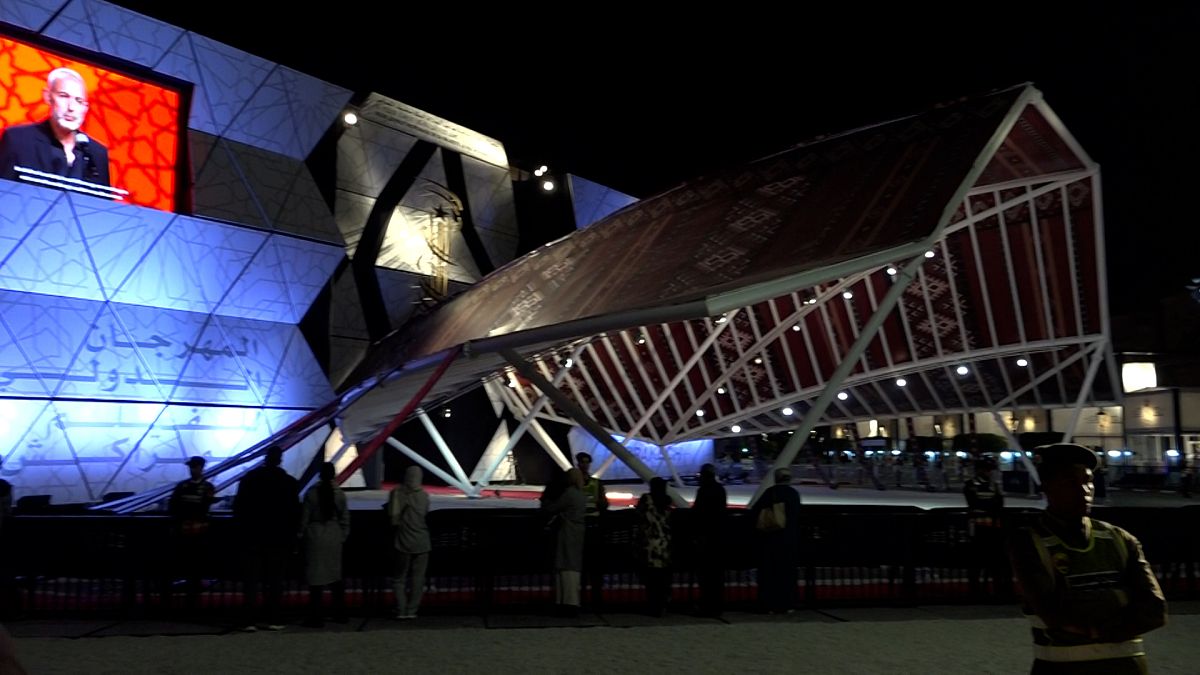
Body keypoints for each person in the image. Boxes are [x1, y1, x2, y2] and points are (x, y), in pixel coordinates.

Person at [1008, 443, 1166, 674]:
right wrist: (1121, 604)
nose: (1084, 490)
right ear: (1047, 486)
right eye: (1071, 482)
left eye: (1088, 481)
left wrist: (1091, 624)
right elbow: (1052, 612)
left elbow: (1155, 610)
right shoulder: (1030, 542)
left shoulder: (1119, 539)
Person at [0, 68, 111, 186]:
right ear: (48, 97)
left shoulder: (97, 154)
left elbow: (101, 204)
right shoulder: (18, 140)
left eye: (78, 101)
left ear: (85, 108)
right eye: (64, 96)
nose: (71, 107)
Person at [233, 445, 300, 631]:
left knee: (251, 581)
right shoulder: (289, 483)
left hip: (252, 536)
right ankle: (274, 618)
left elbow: (239, 509)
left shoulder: (249, 480)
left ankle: (249, 620)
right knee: (275, 580)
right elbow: (294, 513)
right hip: (278, 538)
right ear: (280, 459)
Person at [299, 462, 350, 627]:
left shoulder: (311, 494)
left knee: (316, 580)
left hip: (315, 537)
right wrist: (341, 536)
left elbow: (304, 519)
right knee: (335, 578)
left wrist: (302, 536)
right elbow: (345, 519)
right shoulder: (340, 495)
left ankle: (316, 616)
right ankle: (340, 613)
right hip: (334, 536)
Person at [750, 467, 803, 613]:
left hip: (770, 539)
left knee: (769, 574)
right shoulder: (793, 494)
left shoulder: (769, 493)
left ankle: (768, 604)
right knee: (787, 574)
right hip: (788, 540)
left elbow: (755, 513)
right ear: (789, 479)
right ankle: (788, 603)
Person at [167, 456, 215, 609]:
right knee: (187, 563)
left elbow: (203, 507)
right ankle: (190, 596)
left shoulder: (203, 487)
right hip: (187, 531)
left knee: (195, 564)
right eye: (191, 467)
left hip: (196, 532)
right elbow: (174, 506)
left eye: (195, 467)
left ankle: (192, 597)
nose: (192, 470)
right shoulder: (185, 486)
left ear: (201, 468)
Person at [387, 465, 430, 620]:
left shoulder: (397, 493)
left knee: (399, 578)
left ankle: (401, 609)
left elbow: (393, 519)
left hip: (403, 541)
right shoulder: (424, 496)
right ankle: (412, 610)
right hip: (422, 541)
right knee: (418, 578)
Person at [964, 456, 1008, 598]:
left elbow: (999, 503)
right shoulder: (972, 484)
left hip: (993, 528)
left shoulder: (994, 485)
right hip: (978, 528)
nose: (989, 472)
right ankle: (976, 590)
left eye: (990, 470)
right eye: (986, 469)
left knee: (996, 561)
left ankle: (997, 589)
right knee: (977, 561)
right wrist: (990, 507)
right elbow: (975, 502)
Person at [544, 468, 585, 617]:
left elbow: (552, 508)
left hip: (567, 532)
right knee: (571, 565)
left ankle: (566, 602)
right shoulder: (580, 494)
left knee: (566, 566)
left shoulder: (569, 494)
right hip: (576, 532)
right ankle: (570, 602)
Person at [691, 463, 727, 617]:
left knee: (706, 575)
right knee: (717, 575)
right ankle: (717, 605)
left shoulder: (703, 490)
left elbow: (698, 513)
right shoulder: (720, 490)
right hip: (718, 536)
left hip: (705, 537)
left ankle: (706, 605)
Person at [636, 477, 674, 616]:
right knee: (663, 577)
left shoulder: (646, 499)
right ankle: (662, 604)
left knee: (651, 578)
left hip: (650, 544)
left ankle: (653, 605)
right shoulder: (667, 501)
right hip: (665, 544)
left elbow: (640, 515)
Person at [575, 452, 608, 608]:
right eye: (583, 462)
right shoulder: (578, 484)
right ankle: (589, 598)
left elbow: (604, 503)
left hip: (591, 527)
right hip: (582, 526)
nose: (585, 465)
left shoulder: (595, 484)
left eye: (587, 462)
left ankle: (593, 598)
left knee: (592, 566)